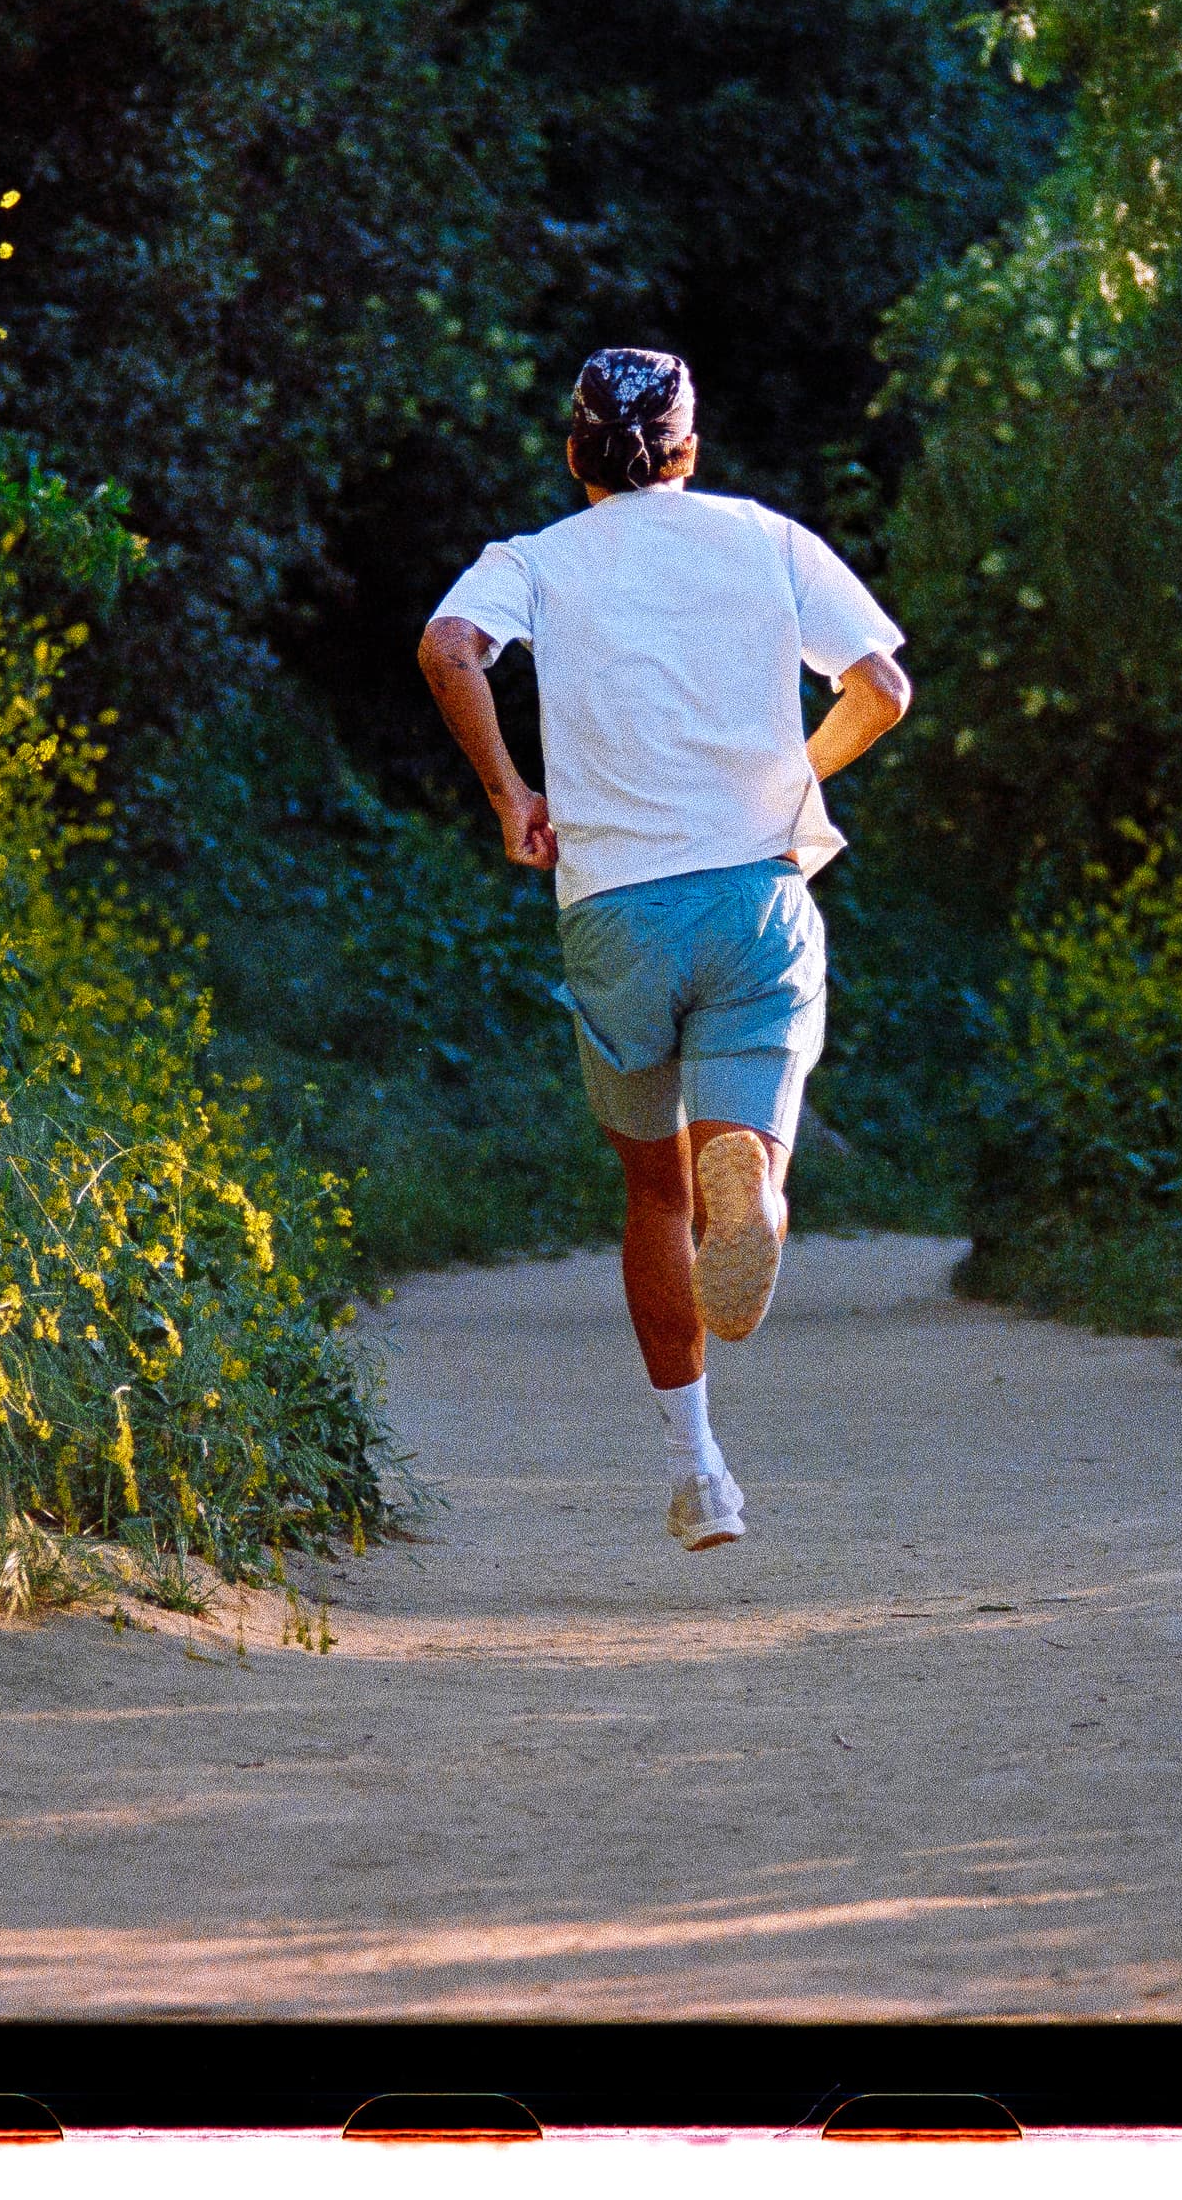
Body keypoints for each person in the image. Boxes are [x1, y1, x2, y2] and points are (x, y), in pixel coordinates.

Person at [416, 348, 913, 1553]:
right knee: (736, 1137)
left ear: (576, 450)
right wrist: (793, 772)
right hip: (753, 892)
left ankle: (701, 1474)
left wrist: (510, 794)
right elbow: (883, 685)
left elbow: (447, 648)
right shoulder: (767, 537)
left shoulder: (533, 560)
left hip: (616, 909)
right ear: (688, 447)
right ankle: (755, 1174)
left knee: (652, 1188)